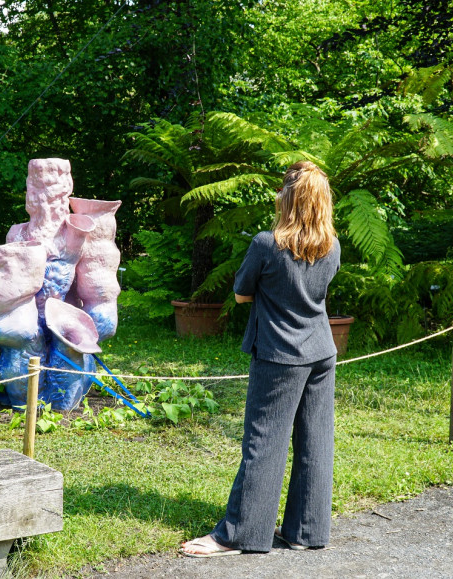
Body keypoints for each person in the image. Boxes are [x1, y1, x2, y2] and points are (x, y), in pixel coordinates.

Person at [181, 160, 341, 557]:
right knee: (316, 442)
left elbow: (241, 294)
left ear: (287, 198)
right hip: (321, 352)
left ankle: (238, 535)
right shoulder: (332, 245)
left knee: (264, 442)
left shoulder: (266, 243)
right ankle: (306, 532)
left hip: (279, 353)